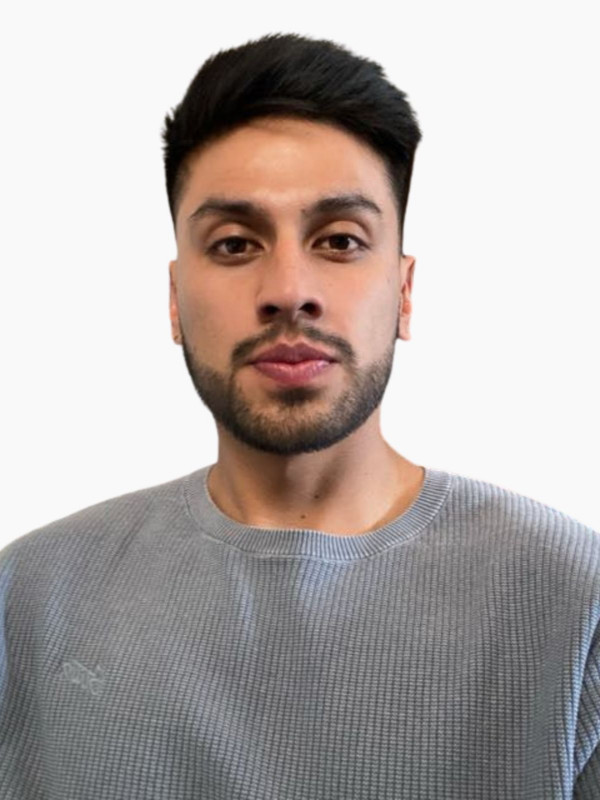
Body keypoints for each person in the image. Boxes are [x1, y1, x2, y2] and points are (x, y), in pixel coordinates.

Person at [1, 32, 599, 800]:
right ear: (175, 299)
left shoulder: (573, 605)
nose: (289, 290)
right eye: (235, 244)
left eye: (340, 240)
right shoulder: (28, 602)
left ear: (404, 292)